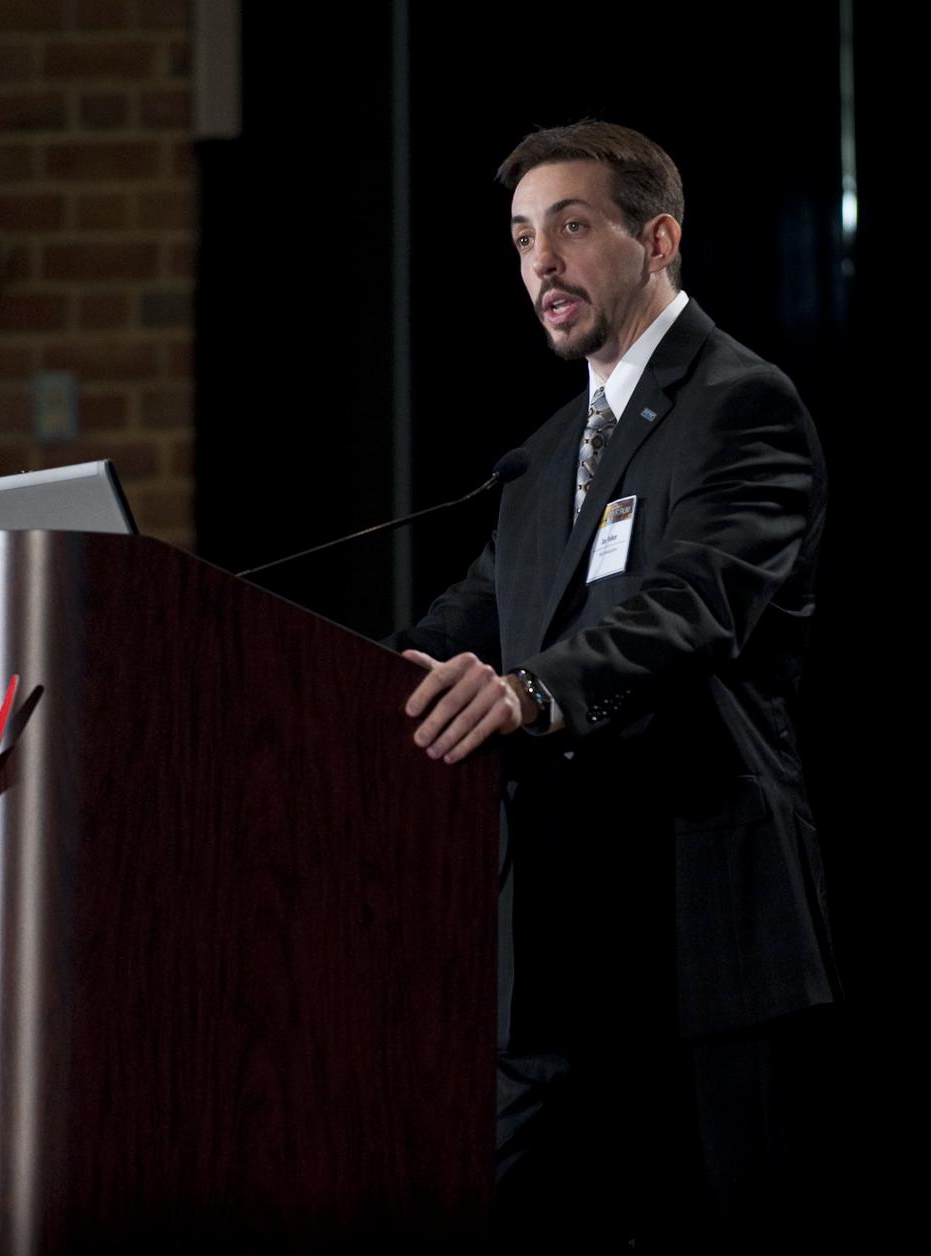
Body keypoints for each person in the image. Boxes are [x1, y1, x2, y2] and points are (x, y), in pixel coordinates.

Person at [391, 122, 839, 1249]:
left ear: (658, 238)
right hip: (551, 949)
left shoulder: (740, 402)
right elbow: (457, 622)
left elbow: (686, 602)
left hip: (699, 937)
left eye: (571, 227)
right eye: (520, 237)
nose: (539, 262)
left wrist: (528, 692)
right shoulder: (543, 457)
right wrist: (325, 681)